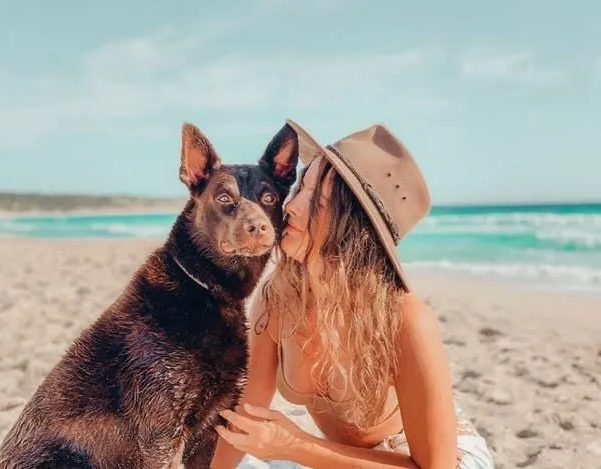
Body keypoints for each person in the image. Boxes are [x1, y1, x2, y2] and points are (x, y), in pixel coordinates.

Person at [210, 120, 495, 468]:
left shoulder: (405, 318)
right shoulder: (277, 297)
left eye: (315, 199)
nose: (291, 206)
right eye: (299, 188)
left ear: (351, 223)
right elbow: (245, 417)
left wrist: (293, 445)